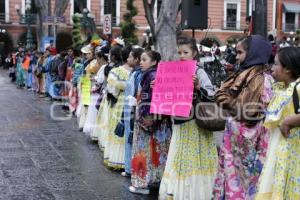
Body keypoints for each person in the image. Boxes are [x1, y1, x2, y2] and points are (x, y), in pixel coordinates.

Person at [213, 35, 274, 199]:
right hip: (234, 140)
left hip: (248, 142)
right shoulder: (242, 74)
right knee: (231, 175)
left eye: (240, 53)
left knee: (244, 179)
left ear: (254, 53)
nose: (237, 57)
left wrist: (229, 103)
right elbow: (222, 95)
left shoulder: (262, 79)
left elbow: (250, 110)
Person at [159, 37, 218, 200]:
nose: (182, 55)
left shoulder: (199, 71)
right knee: (180, 158)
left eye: (186, 52)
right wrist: (158, 87)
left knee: (194, 160)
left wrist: (198, 86)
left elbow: (212, 96)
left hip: (195, 125)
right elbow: (167, 99)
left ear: (194, 54)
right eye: (179, 52)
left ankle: (194, 194)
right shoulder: (174, 70)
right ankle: (179, 191)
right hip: (179, 123)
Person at [255, 47, 300, 200]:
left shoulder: (298, 88)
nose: (272, 68)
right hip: (279, 149)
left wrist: (289, 121)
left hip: (293, 151)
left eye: (275, 64)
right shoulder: (280, 88)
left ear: (287, 69)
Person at [129, 50, 172, 195]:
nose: (141, 62)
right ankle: (155, 180)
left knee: (143, 152)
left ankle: (142, 184)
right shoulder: (154, 74)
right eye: (140, 59)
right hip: (159, 122)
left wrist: (145, 120)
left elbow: (149, 99)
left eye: (144, 59)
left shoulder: (151, 75)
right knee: (157, 152)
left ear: (154, 62)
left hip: (148, 121)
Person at [121, 47, 144, 177]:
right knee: (129, 138)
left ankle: (132, 169)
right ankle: (129, 168)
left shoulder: (138, 74)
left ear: (136, 59)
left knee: (132, 139)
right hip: (127, 109)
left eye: (130, 57)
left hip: (133, 110)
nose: (128, 59)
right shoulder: (134, 73)